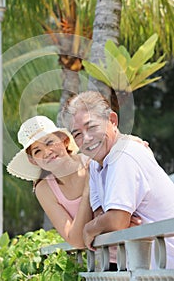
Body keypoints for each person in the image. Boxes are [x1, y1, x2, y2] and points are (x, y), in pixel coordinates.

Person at [62, 90, 174, 268]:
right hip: (147, 271)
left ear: (112, 121)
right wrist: (110, 221)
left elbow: (115, 221)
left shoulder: (123, 154)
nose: (87, 139)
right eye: (77, 134)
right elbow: (101, 214)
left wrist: (89, 228)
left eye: (91, 127)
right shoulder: (95, 165)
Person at [7, 115, 142, 253]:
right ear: (33, 161)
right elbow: (77, 241)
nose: (47, 152)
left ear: (64, 140)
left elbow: (121, 216)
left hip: (136, 244)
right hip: (104, 261)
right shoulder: (44, 188)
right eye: (37, 151)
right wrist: (87, 190)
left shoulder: (93, 159)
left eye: (49, 143)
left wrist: (127, 140)